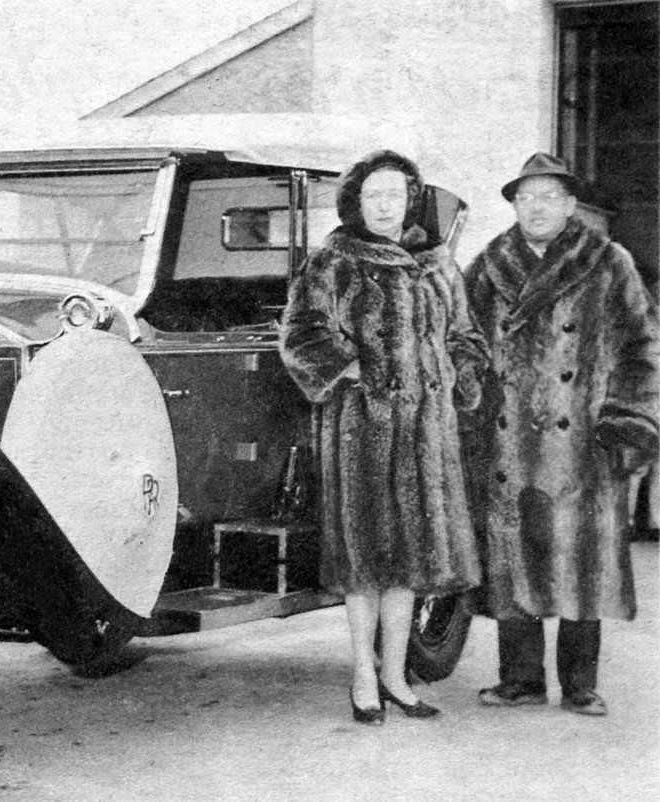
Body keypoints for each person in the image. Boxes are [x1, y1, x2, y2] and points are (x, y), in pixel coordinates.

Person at [280, 150, 488, 724]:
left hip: (427, 432)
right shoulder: (332, 262)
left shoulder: (439, 266)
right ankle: (362, 677)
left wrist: (458, 377)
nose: (383, 205)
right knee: (364, 563)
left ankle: (397, 676)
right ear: (356, 201)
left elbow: (466, 335)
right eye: (373, 195)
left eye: (394, 195)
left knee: (410, 563)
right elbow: (301, 336)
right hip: (362, 431)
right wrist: (352, 373)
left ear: (410, 200)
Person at [463, 152, 659, 716]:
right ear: (514, 205)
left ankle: (580, 684)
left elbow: (643, 348)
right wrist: (470, 409)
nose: (537, 207)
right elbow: (464, 345)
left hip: (584, 444)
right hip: (507, 443)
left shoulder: (608, 261)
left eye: (549, 197)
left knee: (581, 564)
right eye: (527, 198)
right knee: (513, 558)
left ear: (571, 205)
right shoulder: (489, 264)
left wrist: (629, 422)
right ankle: (521, 679)